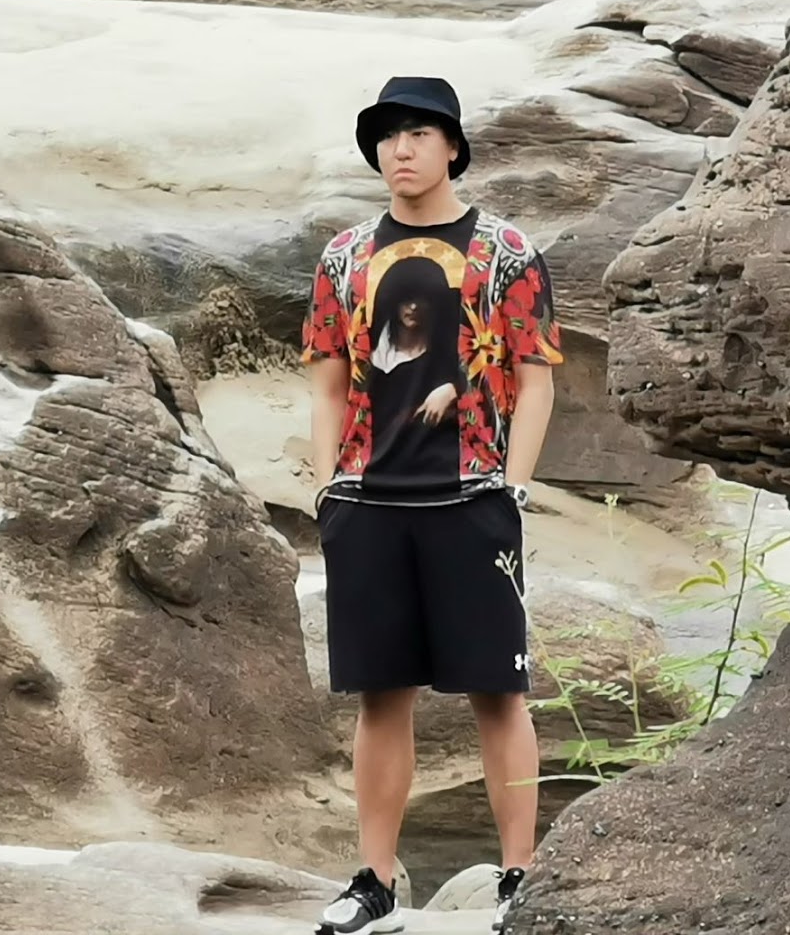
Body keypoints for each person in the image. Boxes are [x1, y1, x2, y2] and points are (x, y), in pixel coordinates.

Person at [302, 76, 563, 935]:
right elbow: (328, 381)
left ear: (453, 146)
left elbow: (534, 377)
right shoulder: (344, 257)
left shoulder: (506, 252)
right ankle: (374, 881)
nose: (401, 149)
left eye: (419, 132)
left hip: (473, 499)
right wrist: (326, 485)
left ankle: (520, 878)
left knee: (498, 692)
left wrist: (514, 485)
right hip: (367, 503)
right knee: (382, 697)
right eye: (388, 135)